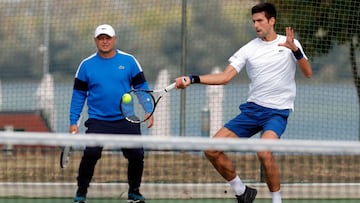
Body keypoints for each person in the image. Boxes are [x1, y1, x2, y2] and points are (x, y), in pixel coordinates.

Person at [175, 2, 312, 203]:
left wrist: (296, 51)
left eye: (260, 21)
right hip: (252, 111)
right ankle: (242, 192)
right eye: (254, 21)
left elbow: (308, 73)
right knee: (211, 149)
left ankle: (277, 200)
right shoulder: (248, 49)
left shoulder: (291, 44)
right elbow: (225, 76)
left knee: (264, 152)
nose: (256, 25)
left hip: (277, 113)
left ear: (271, 21)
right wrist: (192, 78)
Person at [69, 24, 153, 203]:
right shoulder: (86, 65)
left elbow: (141, 88)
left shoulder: (129, 61)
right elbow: (78, 95)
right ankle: (81, 194)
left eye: (107, 38)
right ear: (95, 41)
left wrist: (148, 110)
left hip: (126, 118)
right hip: (98, 120)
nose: (104, 41)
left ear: (114, 39)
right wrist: (73, 121)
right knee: (90, 154)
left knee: (137, 155)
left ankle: (134, 192)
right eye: (101, 38)